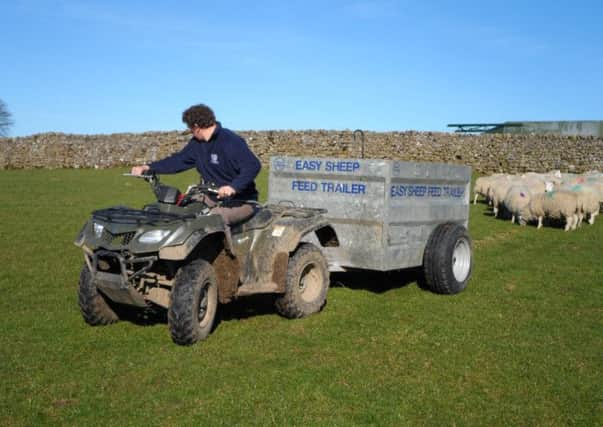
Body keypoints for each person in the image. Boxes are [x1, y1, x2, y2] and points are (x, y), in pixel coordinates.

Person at [131, 103, 261, 226]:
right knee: (179, 213)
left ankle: (225, 250)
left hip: (242, 201)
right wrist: (148, 167)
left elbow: (253, 165)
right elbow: (177, 161)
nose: (191, 132)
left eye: (190, 129)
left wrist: (233, 187)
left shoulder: (231, 141)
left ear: (197, 127)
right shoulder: (196, 145)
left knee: (213, 219)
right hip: (211, 198)